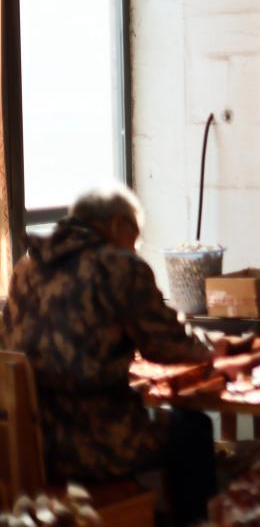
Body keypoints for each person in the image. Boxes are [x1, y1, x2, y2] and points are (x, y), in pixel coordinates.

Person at [1, 185, 216, 526]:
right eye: (135, 237)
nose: (135, 247)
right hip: (95, 443)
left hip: (35, 445)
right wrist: (214, 348)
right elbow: (167, 346)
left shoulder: (28, 267)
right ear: (118, 224)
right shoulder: (118, 265)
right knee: (193, 428)